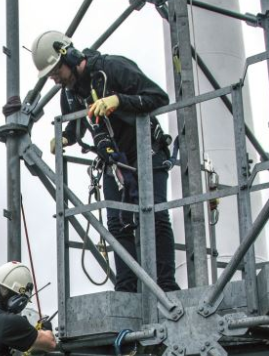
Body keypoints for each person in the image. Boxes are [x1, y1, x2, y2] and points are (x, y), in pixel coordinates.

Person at [31, 30, 179, 293]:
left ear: (70, 56)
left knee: (155, 216)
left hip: (147, 151)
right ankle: (127, 288)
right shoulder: (70, 92)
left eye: (56, 71)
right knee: (117, 224)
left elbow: (158, 98)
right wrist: (65, 138)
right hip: (114, 161)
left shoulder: (112, 68)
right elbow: (75, 126)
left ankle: (166, 285)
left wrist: (119, 100)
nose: (54, 79)